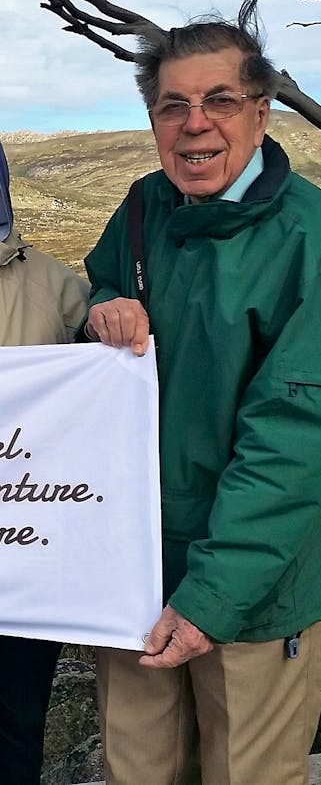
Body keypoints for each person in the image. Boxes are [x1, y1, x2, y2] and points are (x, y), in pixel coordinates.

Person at [83, 3, 321, 785]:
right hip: (134, 569)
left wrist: (213, 595)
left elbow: (292, 439)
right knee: (137, 770)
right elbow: (107, 283)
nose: (194, 124)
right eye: (173, 106)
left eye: (219, 101)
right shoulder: (144, 207)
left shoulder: (311, 240)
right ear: (152, 118)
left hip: (254, 590)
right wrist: (104, 304)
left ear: (261, 110)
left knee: (249, 775)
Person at [0, 140, 89, 785]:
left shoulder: (55, 286)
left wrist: (116, 329)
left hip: (24, 567)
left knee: (13, 724)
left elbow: (109, 396)